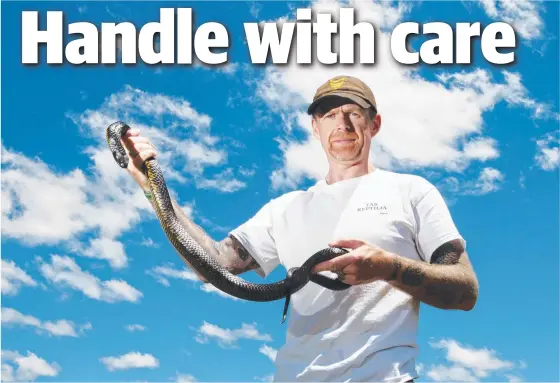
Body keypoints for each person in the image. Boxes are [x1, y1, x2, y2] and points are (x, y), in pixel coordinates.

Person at [122, 75, 479, 383]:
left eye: (354, 113)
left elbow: (465, 291)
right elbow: (214, 265)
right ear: (315, 127)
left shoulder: (411, 192)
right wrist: (152, 187)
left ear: (374, 124)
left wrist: (389, 268)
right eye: (329, 114)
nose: (342, 124)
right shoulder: (285, 209)